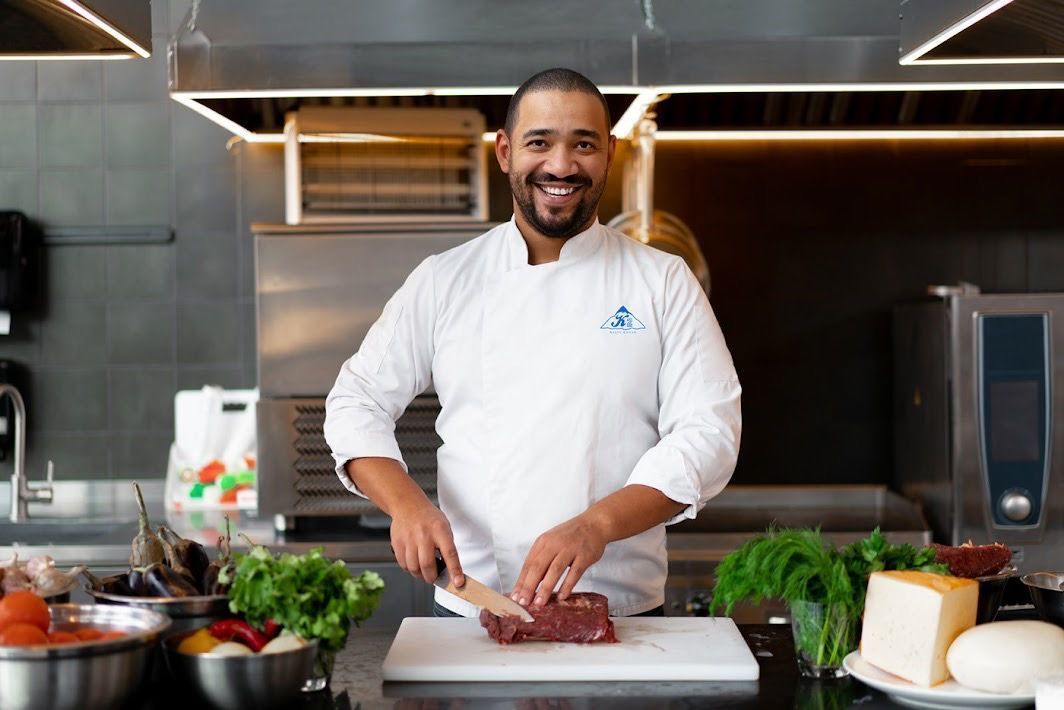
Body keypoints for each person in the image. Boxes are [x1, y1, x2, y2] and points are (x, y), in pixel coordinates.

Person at [324, 67, 741, 618]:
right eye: (539, 142)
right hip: (476, 604)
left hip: (620, 613)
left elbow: (709, 431)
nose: (562, 165)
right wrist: (406, 506)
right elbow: (357, 401)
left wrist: (598, 524)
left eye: (583, 144)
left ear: (609, 153)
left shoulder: (662, 281)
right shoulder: (445, 279)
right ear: (504, 151)